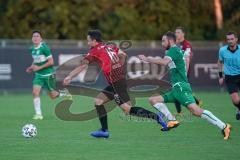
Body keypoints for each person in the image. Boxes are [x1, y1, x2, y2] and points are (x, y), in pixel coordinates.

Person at [63, 30, 175, 139]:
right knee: (98, 101)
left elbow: (83, 66)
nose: (88, 43)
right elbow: (123, 54)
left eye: (88, 41)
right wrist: (119, 67)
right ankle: (104, 131)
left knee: (127, 109)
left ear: (94, 40)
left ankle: (157, 117)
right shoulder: (109, 46)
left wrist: (69, 76)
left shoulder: (94, 51)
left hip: (116, 82)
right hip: (117, 81)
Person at [138, 31, 231, 140]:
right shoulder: (175, 51)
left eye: (163, 41)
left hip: (181, 87)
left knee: (196, 111)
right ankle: (172, 120)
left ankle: (224, 126)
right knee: (153, 100)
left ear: (170, 41)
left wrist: (147, 59)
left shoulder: (173, 50)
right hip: (177, 88)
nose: (162, 43)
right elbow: (184, 61)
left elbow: (164, 62)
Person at [26, 30, 71, 120]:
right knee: (35, 93)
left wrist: (38, 68)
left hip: (48, 75)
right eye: (34, 36)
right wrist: (31, 67)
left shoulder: (44, 48)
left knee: (53, 96)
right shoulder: (32, 49)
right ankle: (38, 114)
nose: (35, 38)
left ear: (41, 38)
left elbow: (51, 62)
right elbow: (35, 61)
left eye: (37, 36)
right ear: (32, 38)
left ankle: (64, 93)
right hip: (38, 76)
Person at [174, 26, 201, 115]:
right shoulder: (174, 44)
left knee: (177, 90)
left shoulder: (186, 44)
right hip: (175, 70)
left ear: (183, 34)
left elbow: (187, 58)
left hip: (183, 72)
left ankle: (179, 112)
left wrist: (185, 72)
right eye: (175, 32)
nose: (176, 34)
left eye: (178, 32)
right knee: (181, 90)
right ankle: (196, 102)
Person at [218, 31, 240, 120]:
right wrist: (220, 76)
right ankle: (238, 108)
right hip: (230, 77)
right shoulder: (222, 50)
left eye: (232, 39)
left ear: (236, 40)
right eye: (228, 39)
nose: (230, 41)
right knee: (235, 101)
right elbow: (220, 62)